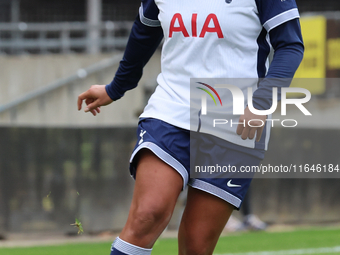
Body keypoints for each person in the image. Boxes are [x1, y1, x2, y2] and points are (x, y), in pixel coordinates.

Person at [77, 0, 304, 254]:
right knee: (148, 214)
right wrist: (115, 88)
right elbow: (144, 31)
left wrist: (263, 101)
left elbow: (290, 45)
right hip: (170, 112)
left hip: (234, 125)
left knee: (196, 246)